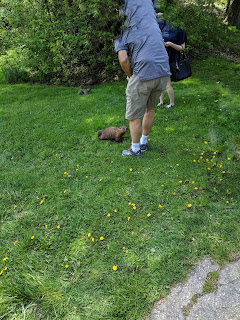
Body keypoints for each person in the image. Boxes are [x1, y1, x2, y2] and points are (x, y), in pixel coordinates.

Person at [115, 0, 171, 156]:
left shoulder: (121, 30)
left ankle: (135, 148)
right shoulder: (152, 25)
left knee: (134, 115)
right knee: (150, 109)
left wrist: (130, 76)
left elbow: (124, 59)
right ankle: (143, 142)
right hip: (163, 71)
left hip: (144, 72)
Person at [157, 19, 187, 109]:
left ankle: (172, 103)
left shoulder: (180, 29)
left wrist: (171, 44)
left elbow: (182, 48)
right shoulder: (163, 24)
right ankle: (161, 101)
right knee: (160, 81)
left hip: (171, 58)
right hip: (160, 56)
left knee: (167, 82)